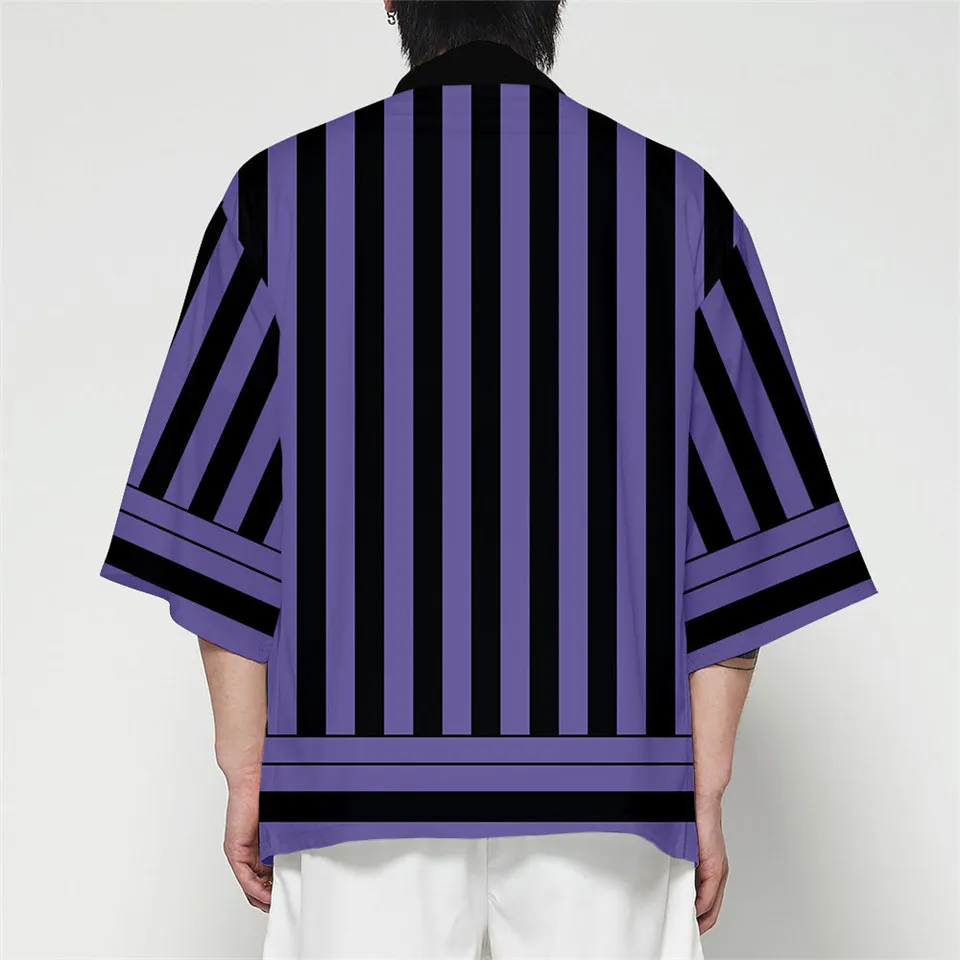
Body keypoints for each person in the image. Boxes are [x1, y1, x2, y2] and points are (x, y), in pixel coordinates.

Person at [98, 2, 879, 957]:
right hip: (612, 782)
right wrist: (703, 782)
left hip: (354, 777)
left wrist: (247, 767)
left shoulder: (281, 198)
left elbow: (219, 531)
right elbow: (742, 541)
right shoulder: (676, 203)